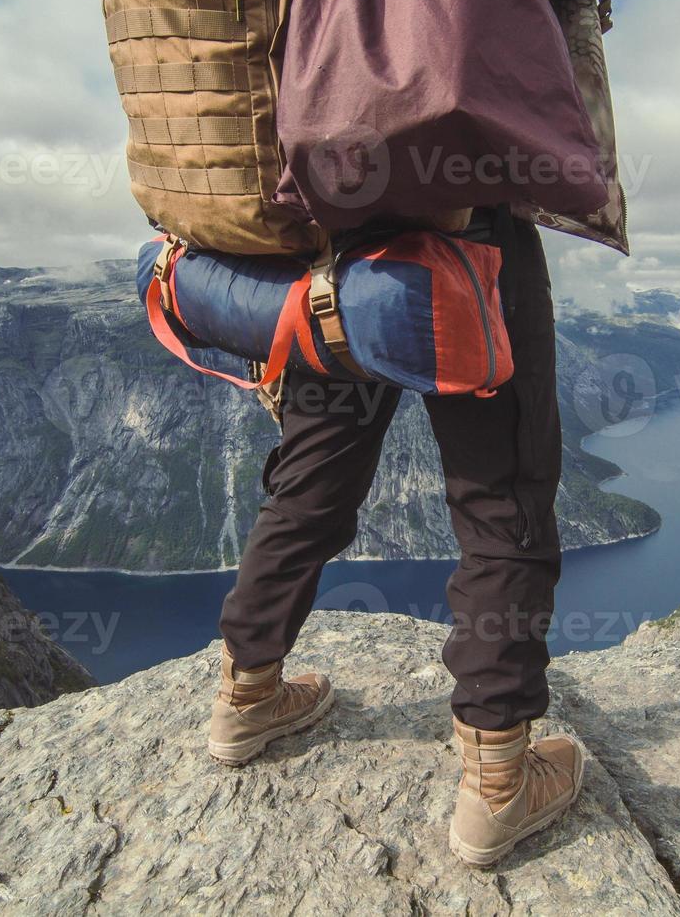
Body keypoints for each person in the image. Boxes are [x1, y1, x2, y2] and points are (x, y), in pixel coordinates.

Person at [206, 206, 582, 866]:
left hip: (327, 260)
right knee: (501, 502)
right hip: (468, 244)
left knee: (309, 491)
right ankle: (498, 784)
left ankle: (247, 693)